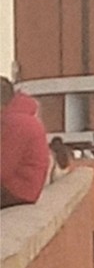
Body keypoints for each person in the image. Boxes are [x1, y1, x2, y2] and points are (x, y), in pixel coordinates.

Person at [1, 76, 50, 209]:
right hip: (25, 188)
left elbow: (3, 168)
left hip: (19, 190)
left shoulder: (14, 122)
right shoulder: (21, 117)